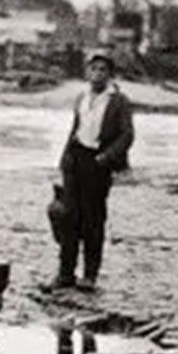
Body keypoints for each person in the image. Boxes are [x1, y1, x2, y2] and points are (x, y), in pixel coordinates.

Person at [54, 50, 135, 291]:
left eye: (103, 70)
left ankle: (89, 276)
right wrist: (64, 159)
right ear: (87, 72)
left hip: (98, 163)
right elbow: (75, 129)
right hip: (76, 159)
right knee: (69, 218)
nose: (97, 74)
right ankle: (65, 274)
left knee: (93, 221)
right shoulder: (82, 98)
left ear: (110, 75)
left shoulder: (119, 101)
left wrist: (106, 158)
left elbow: (127, 135)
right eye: (93, 69)